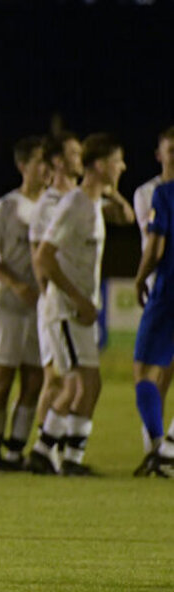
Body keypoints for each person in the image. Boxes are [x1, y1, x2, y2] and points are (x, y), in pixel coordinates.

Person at [32, 133, 132, 476]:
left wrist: (110, 189)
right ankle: (58, 456)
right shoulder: (74, 205)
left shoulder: (91, 204)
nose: (123, 166)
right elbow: (44, 257)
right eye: (118, 161)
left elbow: (128, 217)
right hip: (67, 310)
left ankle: (49, 452)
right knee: (81, 383)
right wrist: (77, 299)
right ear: (101, 166)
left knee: (86, 383)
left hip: (80, 310)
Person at [0, 137, 46, 473]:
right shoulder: (4, 207)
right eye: (39, 161)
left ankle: (15, 451)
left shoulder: (54, 206)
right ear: (23, 166)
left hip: (39, 306)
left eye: (50, 162)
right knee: (2, 379)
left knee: (35, 380)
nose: (46, 168)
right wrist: (15, 283)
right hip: (6, 305)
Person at [25, 132, 82, 473]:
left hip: (72, 301)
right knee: (56, 379)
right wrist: (49, 295)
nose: (82, 158)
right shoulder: (47, 205)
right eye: (75, 153)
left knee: (67, 378)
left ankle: (51, 449)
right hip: (56, 302)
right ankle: (44, 450)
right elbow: (38, 257)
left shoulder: (78, 199)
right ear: (58, 161)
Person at [131, 126, 174, 455]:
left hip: (167, 287)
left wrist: (139, 278)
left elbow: (154, 248)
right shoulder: (146, 192)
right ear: (159, 155)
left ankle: (162, 447)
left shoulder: (163, 194)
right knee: (161, 370)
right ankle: (157, 447)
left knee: (145, 368)